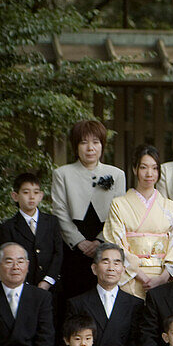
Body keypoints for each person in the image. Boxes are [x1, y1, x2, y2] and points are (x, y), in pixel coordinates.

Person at [52, 119, 126, 324]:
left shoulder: (117, 174)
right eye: (84, 142)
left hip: (105, 244)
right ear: (76, 146)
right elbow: (59, 210)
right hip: (73, 248)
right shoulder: (62, 174)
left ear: (102, 145)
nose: (90, 147)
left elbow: (118, 213)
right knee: (73, 300)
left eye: (96, 142)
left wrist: (100, 242)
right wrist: (79, 241)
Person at [102, 144, 173, 299]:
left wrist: (163, 277)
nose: (149, 174)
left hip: (163, 277)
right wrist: (140, 275)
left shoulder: (170, 206)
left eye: (154, 168)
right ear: (135, 169)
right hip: (130, 276)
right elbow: (116, 242)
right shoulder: (119, 204)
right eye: (143, 168)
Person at [0, 172, 63, 295]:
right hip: (22, 287)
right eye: (26, 192)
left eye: (36, 192)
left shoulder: (52, 221)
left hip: (52, 286)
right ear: (15, 196)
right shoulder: (8, 226)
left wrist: (48, 280)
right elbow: (8, 257)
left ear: (41, 196)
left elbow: (58, 253)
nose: (31, 197)